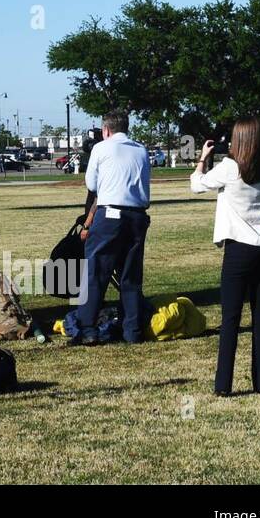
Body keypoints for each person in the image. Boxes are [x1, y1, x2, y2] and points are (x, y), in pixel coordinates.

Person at [191, 117, 260, 396]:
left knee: (231, 319)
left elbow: (196, 185)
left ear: (238, 140)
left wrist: (203, 158)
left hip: (239, 249)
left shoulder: (230, 168)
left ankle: (223, 385)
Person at [73, 110, 151, 346]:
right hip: (137, 215)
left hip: (110, 214)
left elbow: (92, 184)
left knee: (96, 273)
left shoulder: (101, 148)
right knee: (131, 275)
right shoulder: (141, 149)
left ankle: (88, 328)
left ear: (105, 130)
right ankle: (132, 331)